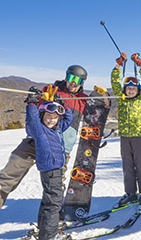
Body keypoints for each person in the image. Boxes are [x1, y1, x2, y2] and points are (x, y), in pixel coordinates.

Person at [0, 65, 88, 211]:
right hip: (35, 140)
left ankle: (53, 219)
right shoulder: (51, 90)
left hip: (59, 148)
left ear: (82, 83)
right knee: (10, 173)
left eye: (78, 80)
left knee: (55, 185)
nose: (74, 83)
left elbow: (99, 110)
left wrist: (103, 101)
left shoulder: (83, 100)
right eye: (72, 78)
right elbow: (36, 110)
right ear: (66, 77)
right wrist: (36, 97)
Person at [24, 88, 73, 240]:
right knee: (54, 204)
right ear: (42, 116)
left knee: (48, 201)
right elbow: (32, 120)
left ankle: (44, 230)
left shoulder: (58, 129)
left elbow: (69, 118)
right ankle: (49, 235)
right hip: (50, 170)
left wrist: (62, 103)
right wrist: (32, 102)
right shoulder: (39, 130)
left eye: (55, 117)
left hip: (56, 170)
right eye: (48, 116)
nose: (51, 120)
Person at [111, 52, 141, 208]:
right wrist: (118, 65)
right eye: (128, 88)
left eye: (133, 88)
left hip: (138, 138)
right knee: (127, 166)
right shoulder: (122, 101)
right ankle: (130, 193)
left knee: (140, 164)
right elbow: (114, 82)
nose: (130, 91)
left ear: (138, 89)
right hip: (124, 138)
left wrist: (140, 65)